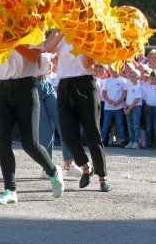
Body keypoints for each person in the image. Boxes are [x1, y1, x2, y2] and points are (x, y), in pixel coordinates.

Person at [0, 44, 65, 205]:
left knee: (30, 144)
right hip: (2, 88)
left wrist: (12, 40)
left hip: (26, 88)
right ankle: (10, 190)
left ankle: (53, 171)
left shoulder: (31, 28)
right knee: (3, 142)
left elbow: (33, 57)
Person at [44, 30, 112, 192]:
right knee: (67, 135)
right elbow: (48, 48)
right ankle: (86, 167)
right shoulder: (62, 34)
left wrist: (84, 36)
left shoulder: (90, 34)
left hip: (85, 84)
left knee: (92, 133)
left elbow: (86, 63)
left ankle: (103, 178)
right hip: (65, 85)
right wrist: (62, 30)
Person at [123, 69, 143, 149]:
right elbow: (128, 98)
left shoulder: (138, 87)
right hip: (128, 107)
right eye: (131, 76)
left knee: (136, 125)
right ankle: (131, 141)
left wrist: (129, 108)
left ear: (138, 78)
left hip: (135, 108)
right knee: (130, 126)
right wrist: (125, 108)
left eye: (134, 77)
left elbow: (136, 99)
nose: (132, 78)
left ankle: (137, 142)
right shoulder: (130, 86)